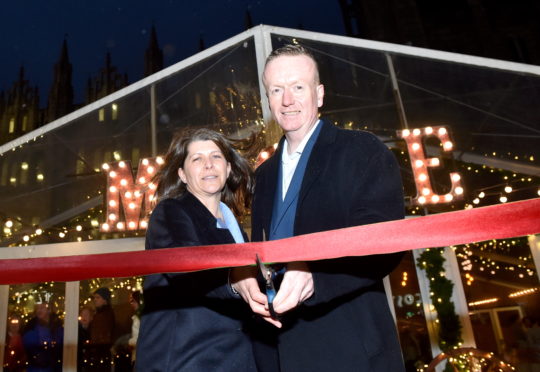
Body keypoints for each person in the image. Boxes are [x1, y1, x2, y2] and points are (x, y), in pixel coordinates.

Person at [231, 44, 406, 371]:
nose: (287, 100)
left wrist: (316, 275)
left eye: (298, 87)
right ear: (268, 100)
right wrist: (243, 276)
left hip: (349, 348)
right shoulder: (263, 175)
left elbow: (385, 243)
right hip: (279, 350)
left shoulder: (361, 150)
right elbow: (265, 255)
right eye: (276, 90)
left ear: (320, 94)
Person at [135, 128, 257, 371]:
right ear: (182, 174)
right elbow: (187, 268)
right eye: (197, 159)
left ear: (228, 168)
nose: (209, 165)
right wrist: (235, 280)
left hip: (234, 356)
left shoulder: (233, 224)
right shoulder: (171, 211)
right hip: (185, 358)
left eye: (216, 157)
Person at [22, 302, 63, 372]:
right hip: (35, 367)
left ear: (49, 310)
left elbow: (61, 344)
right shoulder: (31, 326)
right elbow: (29, 345)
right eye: (37, 308)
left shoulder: (57, 327)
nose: (39, 310)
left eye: (42, 308)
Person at [87, 287, 115, 372]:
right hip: (97, 352)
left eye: (98, 297)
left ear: (105, 300)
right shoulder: (98, 314)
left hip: (101, 352)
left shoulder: (106, 315)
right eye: (94, 298)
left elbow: (104, 335)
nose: (95, 300)